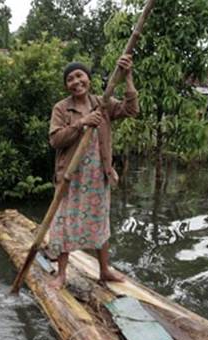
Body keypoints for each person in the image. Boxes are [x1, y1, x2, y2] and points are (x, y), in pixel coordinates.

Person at [47, 55, 138, 288]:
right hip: (70, 176)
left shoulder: (102, 102)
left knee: (100, 222)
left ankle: (104, 270)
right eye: (70, 79)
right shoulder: (62, 108)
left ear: (88, 78)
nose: (76, 81)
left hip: (98, 174)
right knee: (64, 223)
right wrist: (82, 123)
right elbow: (56, 140)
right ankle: (61, 274)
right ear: (66, 85)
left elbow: (131, 109)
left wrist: (127, 77)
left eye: (80, 75)